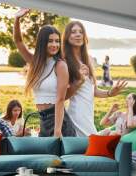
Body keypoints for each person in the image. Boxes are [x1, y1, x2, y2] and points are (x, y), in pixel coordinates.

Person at [14, 8, 75, 137]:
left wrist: (58, 131)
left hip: (58, 122)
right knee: (46, 158)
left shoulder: (60, 65)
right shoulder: (35, 62)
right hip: (43, 120)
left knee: (56, 158)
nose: (54, 45)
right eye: (50, 41)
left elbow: (60, 100)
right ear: (42, 42)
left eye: (57, 41)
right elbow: (19, 42)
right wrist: (17, 19)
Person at [62, 21, 127, 137]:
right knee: (89, 145)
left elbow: (93, 90)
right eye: (73, 32)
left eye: (81, 32)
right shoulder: (65, 62)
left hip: (88, 113)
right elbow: (63, 96)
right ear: (67, 37)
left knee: (89, 145)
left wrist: (110, 92)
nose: (78, 35)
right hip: (77, 114)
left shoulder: (87, 60)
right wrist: (79, 81)